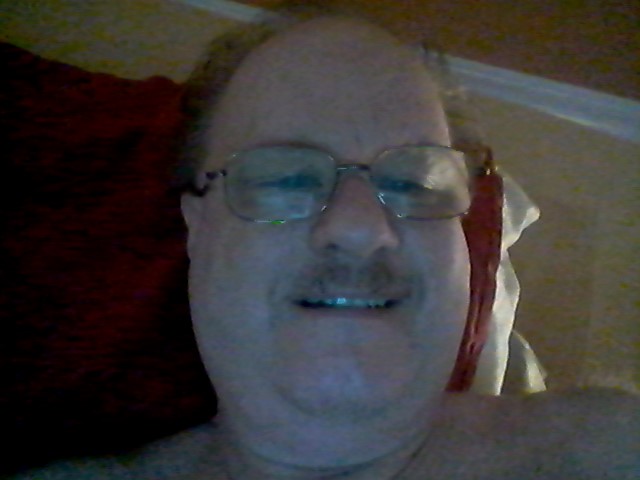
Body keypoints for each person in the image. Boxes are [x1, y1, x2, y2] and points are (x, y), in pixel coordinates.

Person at [13, 8, 638, 480]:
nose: (361, 228)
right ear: (197, 227)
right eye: (284, 178)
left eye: (415, 182)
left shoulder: (606, 445)